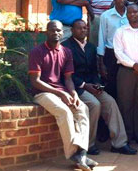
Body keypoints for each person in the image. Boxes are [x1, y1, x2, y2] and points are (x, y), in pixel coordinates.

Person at [28, 20, 95, 171]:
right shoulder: (37, 52)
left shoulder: (66, 52)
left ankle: (82, 154)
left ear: (63, 33)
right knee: (64, 112)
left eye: (58, 30)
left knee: (82, 108)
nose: (56, 33)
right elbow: (35, 81)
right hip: (42, 93)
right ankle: (74, 155)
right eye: (52, 30)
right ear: (47, 32)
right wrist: (59, 93)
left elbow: (68, 79)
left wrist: (73, 94)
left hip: (61, 91)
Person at [62, 19, 136, 156]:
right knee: (94, 105)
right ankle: (87, 145)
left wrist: (97, 84)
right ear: (72, 30)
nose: (83, 30)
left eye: (85, 28)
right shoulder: (65, 47)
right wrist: (84, 85)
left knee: (110, 102)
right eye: (79, 28)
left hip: (91, 86)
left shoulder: (90, 47)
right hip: (76, 88)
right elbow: (66, 75)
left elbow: (93, 71)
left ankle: (119, 143)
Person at [114, 4, 138, 149]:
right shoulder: (120, 31)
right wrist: (133, 64)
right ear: (126, 15)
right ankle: (127, 136)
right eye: (130, 12)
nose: (133, 15)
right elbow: (118, 52)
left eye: (135, 12)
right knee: (125, 104)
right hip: (126, 71)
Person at [97, 0, 128, 99]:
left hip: (127, 54)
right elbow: (102, 38)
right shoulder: (106, 16)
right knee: (111, 85)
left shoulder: (131, 14)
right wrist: (101, 62)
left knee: (125, 86)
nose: (121, 0)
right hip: (111, 54)